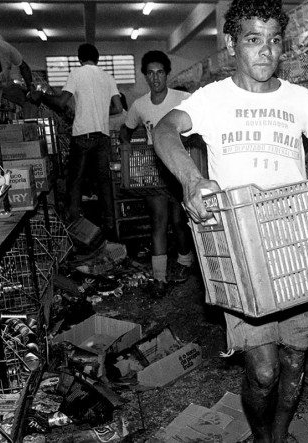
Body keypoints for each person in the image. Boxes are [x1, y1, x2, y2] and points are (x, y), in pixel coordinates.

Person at [151, 0, 308, 440]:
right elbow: (164, 131)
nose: (265, 51)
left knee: (293, 360)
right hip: (243, 248)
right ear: (231, 44)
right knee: (263, 370)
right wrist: (192, 181)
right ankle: (264, 435)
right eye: (253, 39)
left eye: (274, 41)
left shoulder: (299, 98)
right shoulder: (212, 99)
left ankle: (278, 436)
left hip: (299, 245)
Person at [119, 51, 196, 298]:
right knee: (158, 222)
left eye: (160, 72)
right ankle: (159, 276)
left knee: (179, 221)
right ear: (144, 76)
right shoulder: (139, 105)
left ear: (167, 74)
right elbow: (126, 130)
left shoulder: (183, 99)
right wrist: (130, 152)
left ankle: (185, 263)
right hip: (154, 172)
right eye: (150, 73)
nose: (155, 78)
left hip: (179, 167)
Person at [43, 43, 123, 229]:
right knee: (104, 182)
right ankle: (111, 224)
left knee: (76, 180)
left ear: (79, 59)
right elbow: (118, 108)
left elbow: (61, 102)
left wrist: (42, 96)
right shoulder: (108, 77)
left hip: (82, 135)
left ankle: (74, 222)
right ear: (98, 59)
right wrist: (101, 112)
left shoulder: (76, 73)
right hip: (103, 136)